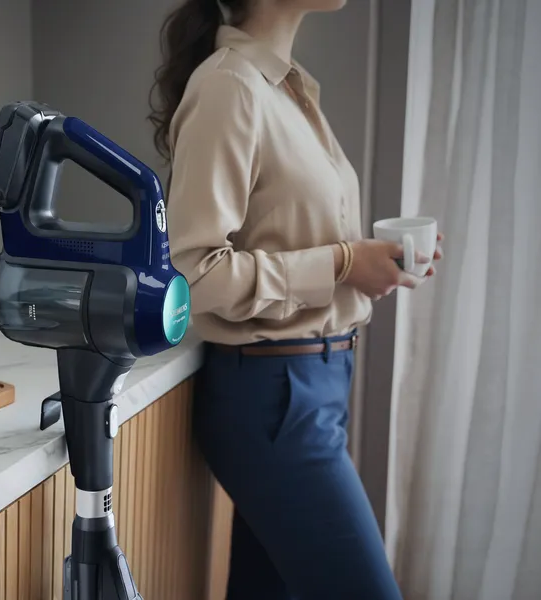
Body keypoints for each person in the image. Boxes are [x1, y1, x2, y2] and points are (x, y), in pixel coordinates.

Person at [148, 1, 444, 598]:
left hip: (313, 386)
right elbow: (192, 274)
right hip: (274, 395)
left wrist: (366, 265)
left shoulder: (287, 87)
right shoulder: (230, 85)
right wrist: (342, 263)